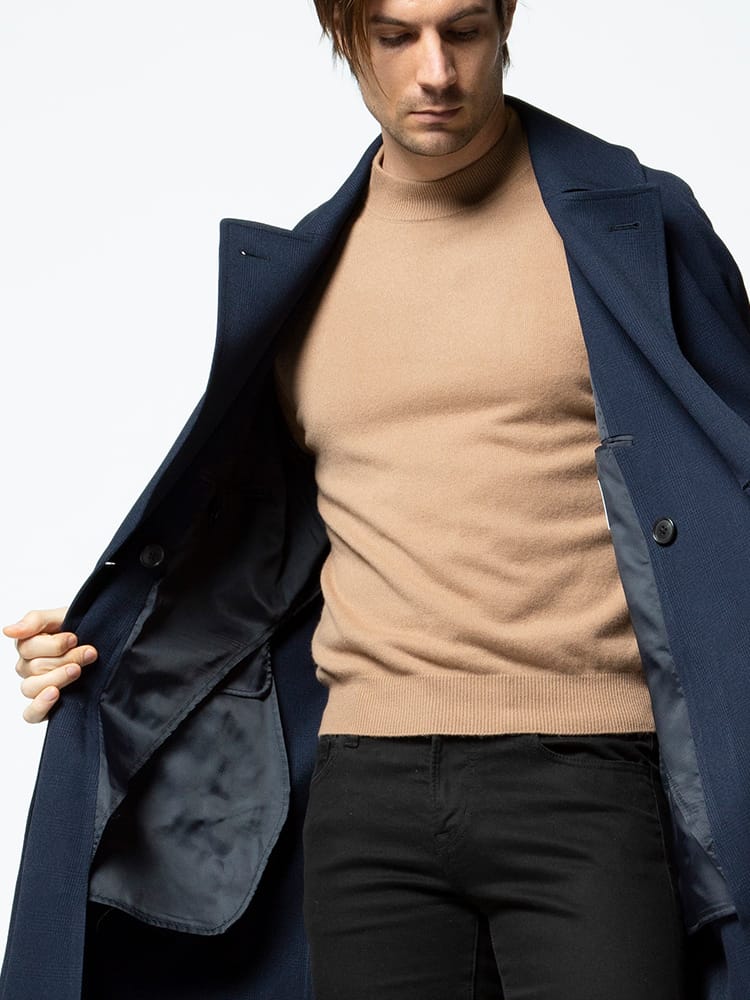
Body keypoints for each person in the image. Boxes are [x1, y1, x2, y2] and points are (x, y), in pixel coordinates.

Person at [3, 1, 750, 997]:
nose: (435, 71)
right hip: (366, 797)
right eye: (397, 35)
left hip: (593, 777)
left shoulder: (635, 228)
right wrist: (106, 642)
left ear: (505, 19)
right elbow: (246, 562)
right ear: (345, 34)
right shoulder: (305, 276)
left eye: (463, 30)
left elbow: (727, 489)